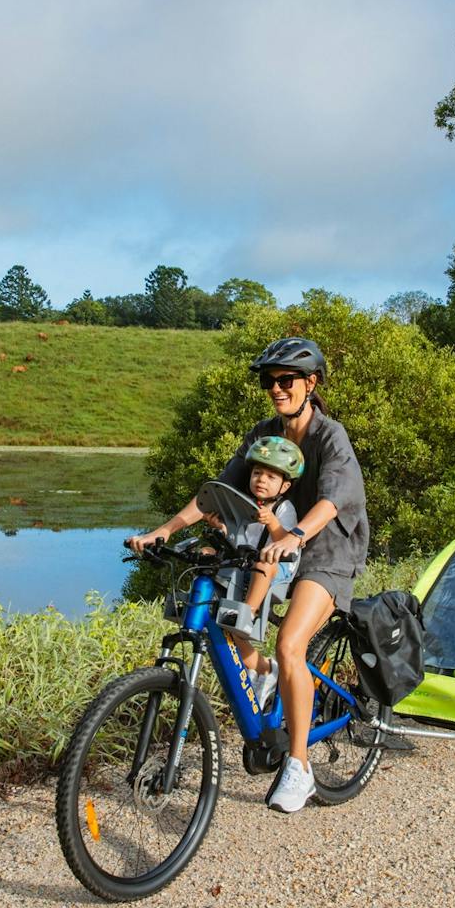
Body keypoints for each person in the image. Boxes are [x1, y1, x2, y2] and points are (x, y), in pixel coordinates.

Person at [127, 336, 369, 814]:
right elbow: (216, 492)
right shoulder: (264, 434)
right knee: (226, 615)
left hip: (328, 548)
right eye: (269, 382)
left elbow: (332, 501)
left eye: (286, 380)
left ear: (310, 383)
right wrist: (164, 530)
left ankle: (299, 767)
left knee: (291, 645)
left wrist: (294, 534)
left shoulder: (330, 436)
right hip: (270, 543)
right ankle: (263, 674)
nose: (276, 389)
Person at [210, 435, 304, 709]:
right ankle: (263, 669)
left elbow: (286, 541)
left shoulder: (283, 508)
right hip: (248, 566)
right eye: (257, 473)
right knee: (208, 554)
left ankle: (247, 613)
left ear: (285, 485)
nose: (261, 480)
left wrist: (272, 521)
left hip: (278, 567)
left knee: (264, 565)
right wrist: (221, 528)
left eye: (271, 477)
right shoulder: (245, 505)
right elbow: (239, 540)